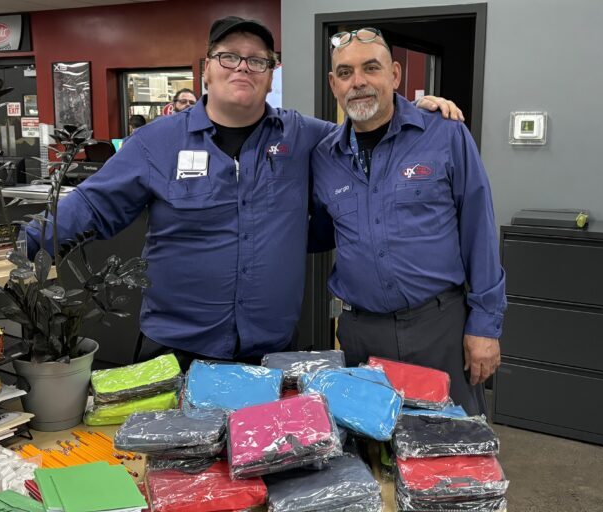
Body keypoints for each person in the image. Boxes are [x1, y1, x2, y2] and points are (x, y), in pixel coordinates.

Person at [27, 17, 461, 369]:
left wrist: (412, 111)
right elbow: (90, 207)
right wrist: (19, 246)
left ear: (271, 74)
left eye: (257, 61)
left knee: (261, 468)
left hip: (269, 351)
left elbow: (366, 129)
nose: (242, 68)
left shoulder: (309, 137)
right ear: (206, 69)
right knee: (170, 472)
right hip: (177, 349)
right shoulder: (155, 143)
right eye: (229, 57)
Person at [310, 28, 505, 415]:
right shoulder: (324, 157)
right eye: (345, 73)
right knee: (368, 453)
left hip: (439, 328)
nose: (359, 82)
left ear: (395, 75)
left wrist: (484, 326)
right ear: (334, 84)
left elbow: (479, 232)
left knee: (448, 455)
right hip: (360, 334)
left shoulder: (446, 134)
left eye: (371, 68)